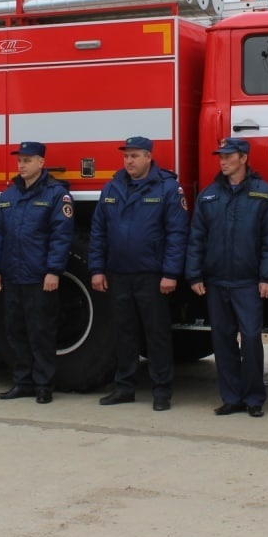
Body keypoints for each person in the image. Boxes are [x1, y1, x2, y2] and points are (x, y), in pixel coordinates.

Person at [89, 136, 188, 411]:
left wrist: (170, 273)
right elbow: (99, 232)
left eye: (134, 156)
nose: (129, 161)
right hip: (119, 273)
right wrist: (97, 269)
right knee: (123, 334)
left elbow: (177, 234)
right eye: (126, 156)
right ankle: (124, 388)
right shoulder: (112, 187)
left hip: (152, 275)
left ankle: (162, 391)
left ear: (148, 157)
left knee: (156, 334)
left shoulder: (168, 188)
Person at [187, 138, 268, 418]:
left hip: (248, 282)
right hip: (217, 282)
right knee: (222, 340)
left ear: (243, 158)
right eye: (221, 156)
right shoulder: (208, 196)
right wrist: (194, 275)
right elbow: (196, 239)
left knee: (252, 339)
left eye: (229, 156)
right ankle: (231, 397)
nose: (223, 160)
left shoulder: (264, 194)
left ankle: (254, 398)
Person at [0, 141, 74, 404]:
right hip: (12, 275)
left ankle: (43, 385)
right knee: (15, 332)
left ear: (41, 162)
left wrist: (53, 271)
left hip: (39, 277)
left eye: (27, 160)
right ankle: (22, 382)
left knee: (41, 333)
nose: (22, 165)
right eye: (20, 160)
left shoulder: (56, 194)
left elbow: (62, 236)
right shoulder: (9, 195)